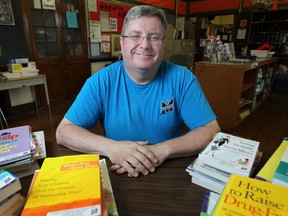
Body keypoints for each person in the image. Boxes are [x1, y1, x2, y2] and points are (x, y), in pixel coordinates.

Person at [56, 5, 220, 177]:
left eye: (154, 37)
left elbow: (211, 130)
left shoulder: (183, 78)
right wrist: (111, 147)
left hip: (170, 172)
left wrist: (161, 150)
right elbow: (64, 131)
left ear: (163, 44)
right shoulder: (101, 81)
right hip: (118, 170)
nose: (145, 45)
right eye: (135, 36)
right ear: (122, 42)